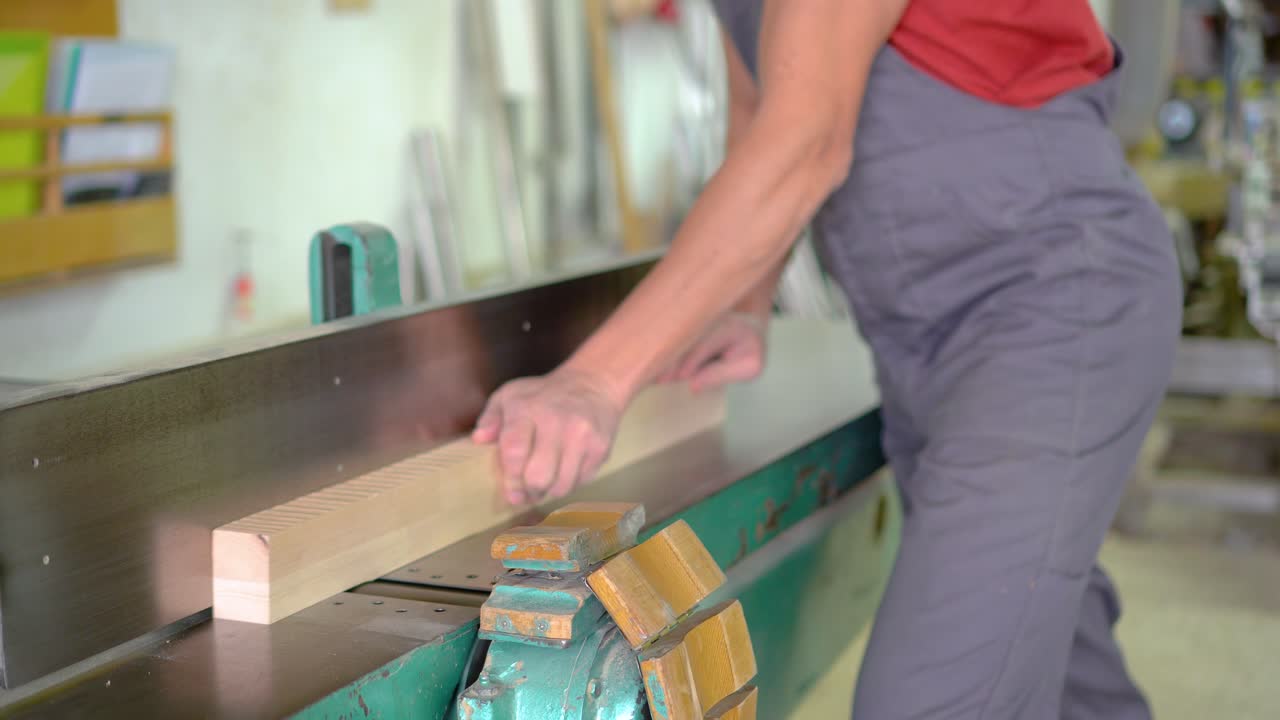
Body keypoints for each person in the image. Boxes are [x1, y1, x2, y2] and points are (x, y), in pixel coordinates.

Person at [472, 1, 1182, 717]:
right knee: (1045, 648)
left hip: (1051, 307)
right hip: (924, 347)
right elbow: (759, 102)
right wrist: (745, 302)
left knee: (932, 697)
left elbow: (806, 142)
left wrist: (593, 381)